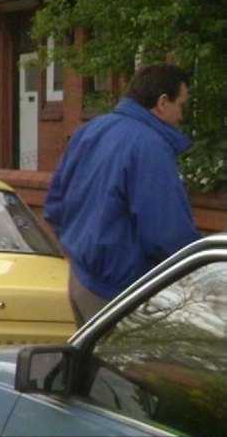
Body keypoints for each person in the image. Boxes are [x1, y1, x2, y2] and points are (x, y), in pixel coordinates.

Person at [44, 62, 200, 328]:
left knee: (88, 365)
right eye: (181, 105)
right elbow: (166, 233)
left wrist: (76, 249)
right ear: (162, 102)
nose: (181, 115)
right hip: (122, 291)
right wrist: (201, 270)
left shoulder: (90, 131)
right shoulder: (150, 147)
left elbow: (55, 205)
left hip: (81, 279)